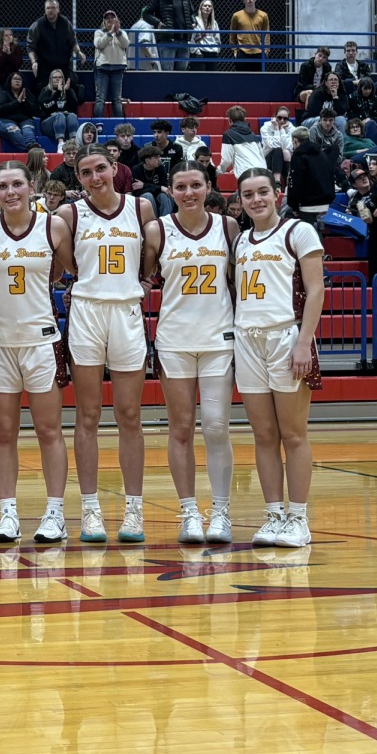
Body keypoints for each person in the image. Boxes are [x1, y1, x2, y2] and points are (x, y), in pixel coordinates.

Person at [56, 145, 155, 542]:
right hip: (87, 313)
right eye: (85, 172)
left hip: (127, 313)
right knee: (88, 415)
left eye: (100, 168)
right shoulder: (69, 214)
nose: (95, 177)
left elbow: (151, 256)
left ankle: (134, 511)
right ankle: (90, 510)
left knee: (130, 415)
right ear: (77, 177)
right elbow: (68, 264)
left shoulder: (141, 208)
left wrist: (145, 282)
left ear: (115, 168)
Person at [0, 162, 74, 542]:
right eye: (2, 186)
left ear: (32, 187)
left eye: (17, 184)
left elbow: (65, 271)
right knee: (3, 432)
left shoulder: (53, 226)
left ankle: (55, 514)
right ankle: (8, 514)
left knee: (49, 430)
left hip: (41, 340)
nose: (10, 191)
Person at [142, 162, 238, 543]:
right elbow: (143, 278)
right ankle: (189, 514)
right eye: (180, 186)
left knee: (216, 425)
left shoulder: (228, 228)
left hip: (218, 339)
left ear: (209, 187)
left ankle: (221, 513)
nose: (189, 192)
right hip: (175, 341)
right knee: (180, 429)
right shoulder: (157, 230)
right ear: (169, 191)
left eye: (196, 185)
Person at [232, 168, 324, 549]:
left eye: (263, 192)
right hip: (247, 339)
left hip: (286, 337)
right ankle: (273, 516)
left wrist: (304, 342)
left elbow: (316, 289)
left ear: (277, 193)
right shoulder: (239, 241)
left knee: (293, 434)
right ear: (240, 200)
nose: (256, 200)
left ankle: (299, 520)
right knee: (264, 434)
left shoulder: (298, 231)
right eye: (248, 194)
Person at [288, 124, 346, 239]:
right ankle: (321, 252)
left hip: (308, 204)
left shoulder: (298, 156)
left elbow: (295, 184)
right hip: (325, 201)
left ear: (295, 140)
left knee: (290, 218)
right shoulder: (322, 153)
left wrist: (294, 206)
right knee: (315, 229)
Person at [27, 0, 86, 91]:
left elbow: (72, 41)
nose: (50, 10)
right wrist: (34, 62)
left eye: (53, 8)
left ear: (58, 9)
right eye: (48, 8)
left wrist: (79, 52)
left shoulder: (65, 22)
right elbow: (31, 46)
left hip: (64, 64)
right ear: (45, 9)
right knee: (42, 90)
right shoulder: (38, 25)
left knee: (74, 86)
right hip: (45, 65)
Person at [144, 0, 195, 71]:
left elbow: (192, 12)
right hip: (167, 40)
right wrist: (157, 23)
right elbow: (146, 13)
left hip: (184, 39)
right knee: (167, 71)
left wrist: (193, 22)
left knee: (182, 72)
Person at [93, 9, 129, 118]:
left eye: (112, 18)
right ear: (104, 21)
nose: (110, 20)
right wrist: (110, 33)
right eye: (107, 18)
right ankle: (98, 125)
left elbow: (126, 44)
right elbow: (99, 44)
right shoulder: (99, 33)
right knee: (100, 98)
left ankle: (118, 125)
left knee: (117, 99)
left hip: (117, 69)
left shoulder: (122, 33)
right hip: (102, 69)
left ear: (116, 20)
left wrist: (118, 33)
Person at [0, 73, 40, 152]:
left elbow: (36, 111)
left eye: (19, 79)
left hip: (25, 120)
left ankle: (32, 148)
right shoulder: (4, 94)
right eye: (15, 79)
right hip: (5, 120)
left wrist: (25, 102)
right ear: (10, 81)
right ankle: (32, 151)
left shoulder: (27, 94)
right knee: (14, 131)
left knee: (28, 132)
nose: (17, 81)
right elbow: (0, 109)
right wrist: (17, 102)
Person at [39, 69, 81, 152]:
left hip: (65, 125)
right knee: (60, 115)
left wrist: (67, 91)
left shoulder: (69, 91)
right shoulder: (45, 91)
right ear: (51, 79)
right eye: (55, 77)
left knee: (72, 116)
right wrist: (58, 93)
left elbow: (74, 108)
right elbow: (46, 107)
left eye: (60, 77)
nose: (57, 79)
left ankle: (73, 143)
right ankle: (61, 144)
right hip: (48, 125)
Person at [218, 106, 266, 177]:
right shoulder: (253, 135)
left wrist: (218, 172)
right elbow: (261, 155)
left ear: (230, 120)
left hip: (247, 174)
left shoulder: (228, 134)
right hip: (263, 171)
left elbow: (227, 160)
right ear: (244, 119)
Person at [229, 0, 270, 71]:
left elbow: (267, 34)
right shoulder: (236, 15)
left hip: (259, 52)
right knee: (242, 80)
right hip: (242, 52)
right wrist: (234, 51)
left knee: (259, 80)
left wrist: (266, 50)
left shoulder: (263, 15)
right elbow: (232, 34)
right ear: (243, 0)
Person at [0, 28, 25, 104]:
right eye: (6, 35)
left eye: (10, 35)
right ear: (1, 37)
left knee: (16, 97)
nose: (9, 37)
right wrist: (3, 53)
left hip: (12, 80)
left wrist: (10, 54)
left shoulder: (17, 48)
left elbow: (18, 64)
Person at [132, 144, 173, 216]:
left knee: (164, 196)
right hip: (145, 198)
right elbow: (137, 191)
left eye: (159, 157)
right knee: (148, 196)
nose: (159, 160)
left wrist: (144, 185)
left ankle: (165, 221)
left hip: (158, 195)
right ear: (147, 160)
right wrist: (158, 188)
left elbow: (164, 186)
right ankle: (153, 222)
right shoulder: (136, 169)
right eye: (156, 157)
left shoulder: (160, 168)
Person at [347, 77, 377, 144]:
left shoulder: (375, 100)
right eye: (365, 89)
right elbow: (350, 114)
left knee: (371, 124)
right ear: (360, 88)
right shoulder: (353, 98)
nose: (368, 91)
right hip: (356, 124)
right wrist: (360, 122)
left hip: (371, 125)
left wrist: (369, 119)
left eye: (369, 89)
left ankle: (371, 147)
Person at [190, 0, 221, 71]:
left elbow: (217, 39)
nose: (207, 7)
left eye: (209, 6)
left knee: (212, 79)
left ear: (211, 9)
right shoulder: (196, 21)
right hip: (200, 53)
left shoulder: (214, 23)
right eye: (205, 6)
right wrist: (196, 51)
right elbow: (191, 39)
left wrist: (217, 50)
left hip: (212, 53)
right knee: (199, 79)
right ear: (201, 8)